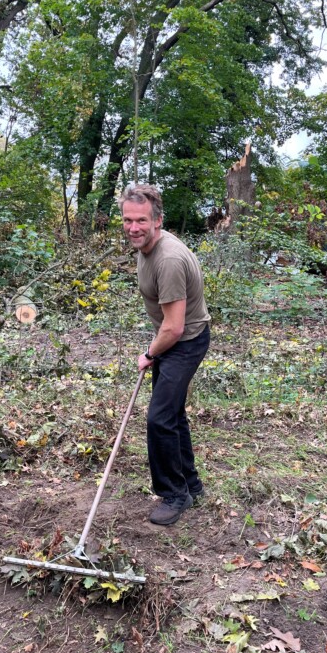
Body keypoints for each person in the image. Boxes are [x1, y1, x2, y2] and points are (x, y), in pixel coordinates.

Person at [119, 184, 210, 525]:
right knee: (170, 413)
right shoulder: (148, 245)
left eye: (141, 220)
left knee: (159, 419)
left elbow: (173, 328)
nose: (133, 227)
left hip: (184, 341)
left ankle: (175, 494)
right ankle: (192, 484)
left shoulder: (169, 259)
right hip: (173, 338)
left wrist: (149, 352)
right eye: (128, 220)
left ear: (157, 220)